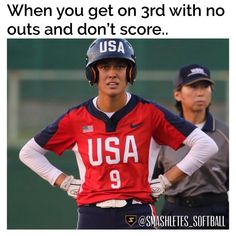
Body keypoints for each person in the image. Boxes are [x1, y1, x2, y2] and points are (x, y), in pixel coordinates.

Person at [19, 39, 218, 229]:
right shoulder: (76, 118)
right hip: (92, 214)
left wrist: (165, 181)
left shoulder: (149, 112)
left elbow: (206, 145)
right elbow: (28, 152)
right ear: (93, 73)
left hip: (137, 212)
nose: (112, 73)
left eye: (120, 66)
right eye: (104, 67)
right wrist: (64, 182)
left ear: (130, 72)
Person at [153, 64, 229, 229]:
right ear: (177, 94)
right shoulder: (163, 133)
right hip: (175, 211)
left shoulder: (226, 134)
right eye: (193, 86)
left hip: (216, 213)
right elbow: (152, 180)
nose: (200, 92)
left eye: (205, 86)